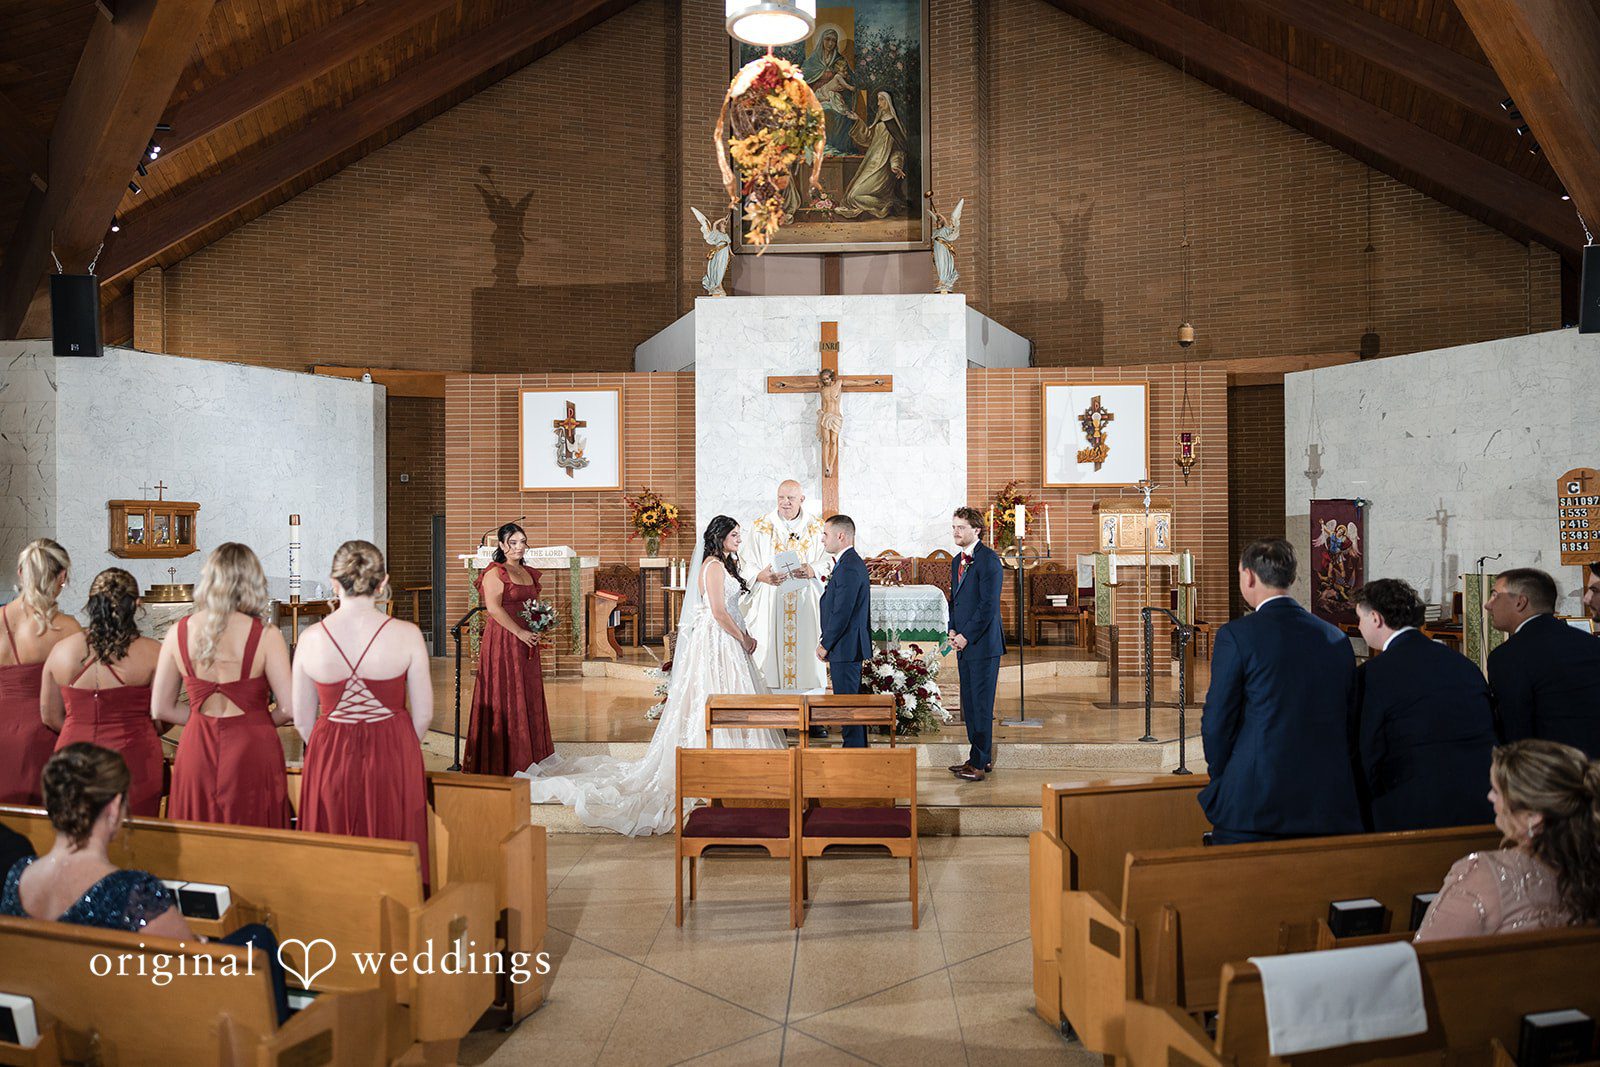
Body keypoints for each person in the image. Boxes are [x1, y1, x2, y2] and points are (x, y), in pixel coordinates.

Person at [520, 516, 785, 835]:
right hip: (719, 642)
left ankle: (739, 762)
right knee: (715, 695)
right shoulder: (713, 566)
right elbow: (717, 611)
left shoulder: (725, 564)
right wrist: (743, 638)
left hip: (725, 641)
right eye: (734, 534)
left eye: (740, 534)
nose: (739, 539)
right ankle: (717, 765)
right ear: (719, 537)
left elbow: (732, 599)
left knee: (732, 695)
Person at [1, 744, 289, 1021]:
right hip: (126, 1022)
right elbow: (191, 972)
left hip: (60, 1016)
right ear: (114, 806)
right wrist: (200, 941)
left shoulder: (17, 876)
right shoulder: (131, 890)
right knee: (257, 939)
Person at [1199, 539, 1362, 843]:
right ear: (1293, 577)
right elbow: (1349, 719)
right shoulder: (1336, 638)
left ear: (1248, 576)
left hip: (1258, 802)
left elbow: (1217, 722)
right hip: (1328, 801)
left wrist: (1227, 777)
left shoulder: (1237, 636)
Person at [292, 541, 432, 881]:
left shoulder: (311, 637)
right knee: (393, 845)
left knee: (333, 850)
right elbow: (424, 713)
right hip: (393, 749)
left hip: (329, 750)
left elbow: (302, 719)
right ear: (382, 582)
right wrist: (395, 743)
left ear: (335, 582)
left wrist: (335, 741)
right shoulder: (407, 633)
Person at [153, 543, 293, 828]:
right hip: (253, 747)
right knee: (255, 838)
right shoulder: (267, 635)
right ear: (253, 581)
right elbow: (290, 709)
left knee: (198, 840)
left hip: (196, 746)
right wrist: (257, 721)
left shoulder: (178, 631)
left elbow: (161, 707)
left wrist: (202, 721)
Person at [1415, 739, 1600, 940]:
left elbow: (1425, 958)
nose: (1489, 797)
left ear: (1533, 816)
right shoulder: (1590, 869)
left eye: (1497, 791)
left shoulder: (1480, 874)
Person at [1353, 579, 1495, 831]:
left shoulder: (1373, 675)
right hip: (1481, 800)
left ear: (1375, 618)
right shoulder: (1462, 664)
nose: (1359, 626)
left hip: (1411, 808)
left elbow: (1368, 750)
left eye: (1359, 618)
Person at [41, 569, 170, 817]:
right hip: (135, 757)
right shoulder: (154, 652)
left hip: (74, 756)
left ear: (91, 604)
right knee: (137, 837)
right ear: (136, 604)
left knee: (76, 832)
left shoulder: (61, 651)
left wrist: (80, 727)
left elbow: (50, 716)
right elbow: (162, 718)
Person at [465, 522, 553, 775]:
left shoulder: (528, 572)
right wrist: (521, 632)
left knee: (527, 691)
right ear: (502, 545)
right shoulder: (495, 573)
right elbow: (494, 609)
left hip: (527, 640)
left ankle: (531, 755)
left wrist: (538, 625)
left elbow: (532, 605)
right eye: (512, 543)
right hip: (505, 639)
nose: (518, 547)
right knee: (506, 693)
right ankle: (507, 758)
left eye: (522, 542)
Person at [1486, 567, 1600, 757]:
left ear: (1520, 602)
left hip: (1552, 772)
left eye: (1495, 595)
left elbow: (1516, 734)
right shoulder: (1591, 644)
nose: (1488, 605)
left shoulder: (1508, 656)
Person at [0, 539, 80, 804]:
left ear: (21, 573)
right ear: (63, 577)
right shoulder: (67, 628)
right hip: (43, 734)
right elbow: (80, 692)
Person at [740, 481, 830, 708]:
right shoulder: (761, 527)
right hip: (771, 602)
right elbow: (744, 563)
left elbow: (830, 559)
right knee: (770, 656)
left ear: (802, 499)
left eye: (790, 498)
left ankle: (812, 713)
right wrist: (761, 576)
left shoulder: (818, 528)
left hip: (806, 604)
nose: (785, 502)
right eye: (781, 497)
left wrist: (813, 569)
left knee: (808, 657)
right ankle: (773, 711)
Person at [948, 507, 1003, 782]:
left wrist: (966, 635)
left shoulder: (989, 561)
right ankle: (979, 758)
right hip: (964, 642)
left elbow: (988, 606)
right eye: (954, 527)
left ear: (976, 530)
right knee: (969, 704)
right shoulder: (957, 559)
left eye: (961, 527)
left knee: (981, 705)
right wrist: (952, 629)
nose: (955, 532)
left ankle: (979, 764)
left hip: (982, 644)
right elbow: (954, 601)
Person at [816, 515, 873, 747]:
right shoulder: (846, 562)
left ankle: (853, 750)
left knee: (847, 704)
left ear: (841, 536)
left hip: (846, 645)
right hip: (846, 645)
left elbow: (842, 612)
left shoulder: (849, 566)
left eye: (826, 534)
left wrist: (825, 643)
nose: (822, 540)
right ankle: (856, 748)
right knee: (849, 702)